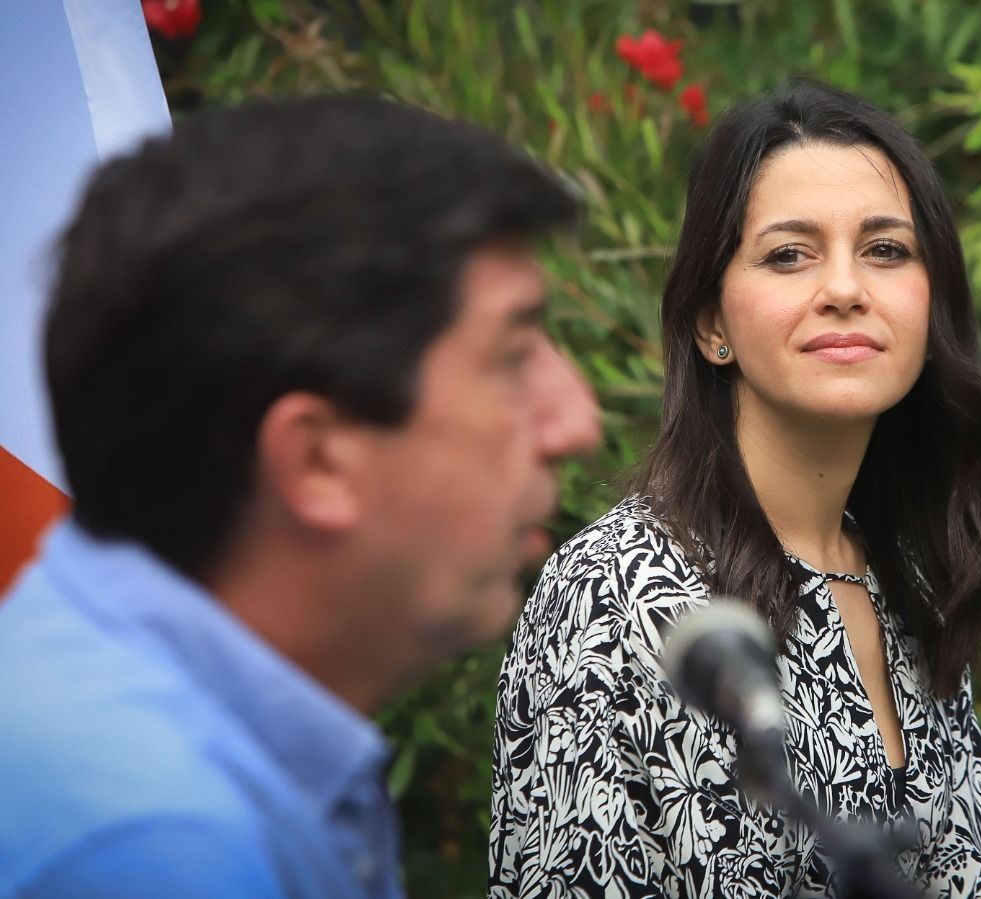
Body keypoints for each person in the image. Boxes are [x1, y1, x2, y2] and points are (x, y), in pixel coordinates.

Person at [0, 96, 600, 897]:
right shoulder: (159, 849)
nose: (577, 422)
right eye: (512, 356)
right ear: (318, 461)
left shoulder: (113, 704)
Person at [490, 81, 981, 897]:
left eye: (886, 250)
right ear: (711, 323)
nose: (846, 288)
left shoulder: (909, 581)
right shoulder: (619, 594)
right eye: (790, 254)